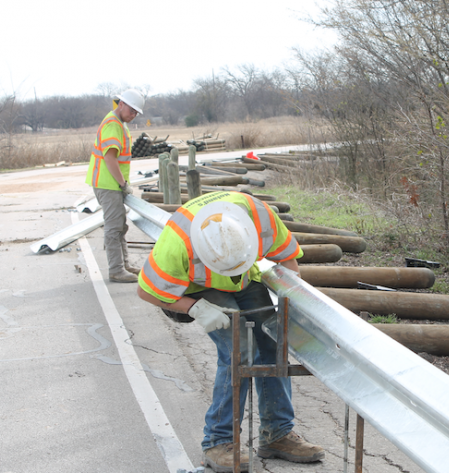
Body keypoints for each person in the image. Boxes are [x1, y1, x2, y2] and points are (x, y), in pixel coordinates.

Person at [136, 191, 325, 473]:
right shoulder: (178, 242)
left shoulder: (260, 216)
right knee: (240, 350)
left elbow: (288, 261)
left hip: (244, 278)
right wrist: (195, 308)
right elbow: (146, 291)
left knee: (273, 342)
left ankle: (277, 434)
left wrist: (293, 300)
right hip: (201, 288)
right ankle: (217, 441)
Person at [85, 89, 145, 283]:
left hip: (111, 184)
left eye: (136, 112)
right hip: (108, 184)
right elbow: (109, 158)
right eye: (131, 110)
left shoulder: (119, 123)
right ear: (121, 104)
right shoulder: (112, 124)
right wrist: (122, 183)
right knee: (114, 228)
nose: (133, 114)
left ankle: (123, 265)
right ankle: (116, 270)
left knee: (120, 226)